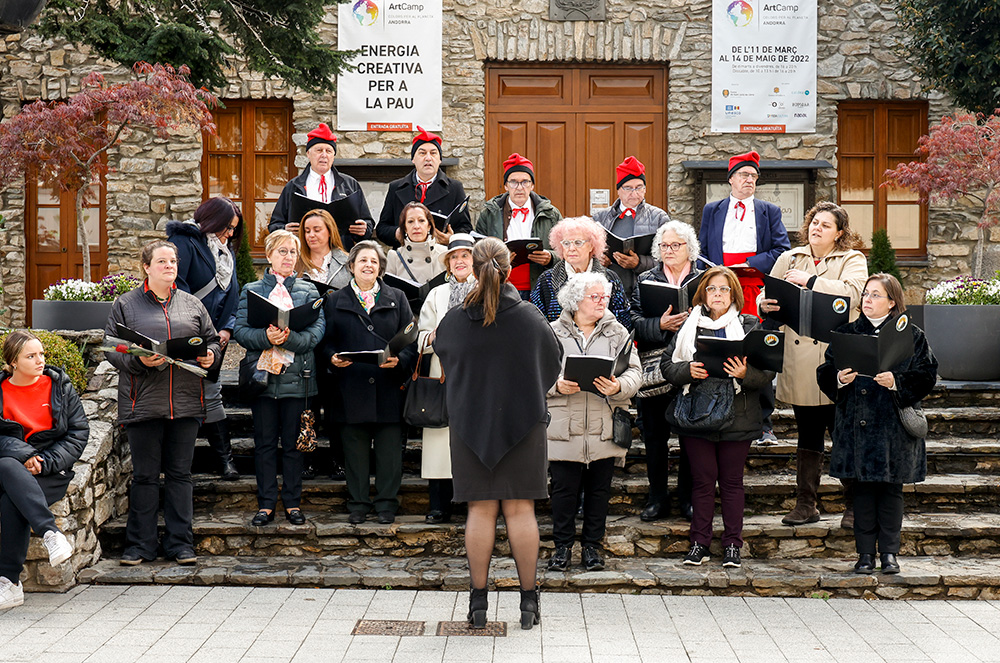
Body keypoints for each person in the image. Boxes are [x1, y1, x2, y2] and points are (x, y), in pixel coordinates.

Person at [435, 237, 561, 631]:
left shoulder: (455, 318)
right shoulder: (529, 317)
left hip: (471, 425)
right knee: (520, 509)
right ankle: (528, 603)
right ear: (509, 269)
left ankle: (477, 603)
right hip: (522, 424)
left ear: (472, 268)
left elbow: (444, 356)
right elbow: (552, 364)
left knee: (480, 509)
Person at [105, 240, 221, 566]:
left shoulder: (192, 304)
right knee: (144, 476)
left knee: (180, 475)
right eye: (162, 261)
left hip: (185, 403)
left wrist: (212, 355)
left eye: (172, 261)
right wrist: (143, 361)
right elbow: (113, 348)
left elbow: (210, 339)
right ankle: (138, 546)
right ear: (146, 267)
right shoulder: (126, 305)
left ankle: (180, 545)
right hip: (142, 404)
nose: (169, 266)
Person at [817, 274, 937, 575]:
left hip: (893, 430)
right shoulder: (847, 333)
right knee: (862, 492)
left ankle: (889, 554)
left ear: (892, 302)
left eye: (875, 295)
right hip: (857, 427)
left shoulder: (911, 334)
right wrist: (839, 379)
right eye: (866, 294)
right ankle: (865, 555)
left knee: (891, 491)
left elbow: (927, 374)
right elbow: (825, 371)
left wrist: (898, 382)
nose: (867, 300)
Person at [758, 202, 868, 527]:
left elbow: (854, 294)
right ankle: (806, 504)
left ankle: (855, 506)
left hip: (839, 363)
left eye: (825, 225)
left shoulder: (852, 259)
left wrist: (810, 281)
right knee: (807, 435)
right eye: (814, 222)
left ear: (840, 233)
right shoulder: (788, 258)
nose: (817, 228)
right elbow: (769, 296)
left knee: (843, 434)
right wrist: (763, 305)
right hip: (801, 359)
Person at [663, 266, 775, 569]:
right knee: (701, 482)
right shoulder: (689, 326)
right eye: (712, 288)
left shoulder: (750, 326)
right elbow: (667, 366)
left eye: (724, 289)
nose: (717, 294)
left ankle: (732, 545)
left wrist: (744, 373)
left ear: (734, 293)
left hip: (737, 416)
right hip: (696, 414)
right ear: (703, 293)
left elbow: (766, 373)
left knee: (731, 483)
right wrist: (688, 371)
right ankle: (699, 542)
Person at [547, 272, 640, 573]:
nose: (603, 302)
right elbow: (529, 376)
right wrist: (556, 386)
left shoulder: (618, 333)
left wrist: (618, 387)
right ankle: (561, 549)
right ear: (576, 301)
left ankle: (592, 549)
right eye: (595, 297)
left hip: (603, 425)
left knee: (599, 492)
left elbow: (635, 373)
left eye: (605, 297)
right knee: (563, 492)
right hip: (564, 427)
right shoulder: (551, 333)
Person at [320, 241, 417, 525]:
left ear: (380, 268)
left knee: (389, 453)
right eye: (362, 261)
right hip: (351, 387)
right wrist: (332, 359)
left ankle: (387, 503)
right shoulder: (335, 300)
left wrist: (401, 361)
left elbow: (410, 340)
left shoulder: (397, 298)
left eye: (374, 262)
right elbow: (325, 343)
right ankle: (358, 503)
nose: (368, 266)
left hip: (389, 386)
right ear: (351, 266)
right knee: (355, 452)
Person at [233, 230, 325, 528]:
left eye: (292, 253)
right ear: (270, 255)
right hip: (263, 380)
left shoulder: (309, 291)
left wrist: (287, 339)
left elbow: (315, 335)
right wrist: (265, 336)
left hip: (298, 380)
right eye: (282, 252)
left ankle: (293, 503)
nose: (288, 257)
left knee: (294, 444)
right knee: (264, 444)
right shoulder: (251, 289)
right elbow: (241, 331)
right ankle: (266, 504)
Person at [699, 150, 790, 443]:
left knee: (757, 352)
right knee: (719, 345)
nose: (749, 180)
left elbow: (781, 249)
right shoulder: (712, 210)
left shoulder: (769, 211)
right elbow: (701, 250)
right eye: (744, 175)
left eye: (753, 176)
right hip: (720, 288)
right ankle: (711, 412)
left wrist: (750, 263)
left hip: (754, 288)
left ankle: (764, 423)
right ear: (731, 179)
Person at [0, 331, 87, 611]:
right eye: (31, 356)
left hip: (51, 472)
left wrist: (44, 461)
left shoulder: (59, 386)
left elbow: (78, 434)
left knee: (10, 501)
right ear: (13, 362)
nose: (40, 360)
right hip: (9, 467)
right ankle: (51, 533)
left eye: (41, 354)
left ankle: (9, 583)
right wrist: (25, 455)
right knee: (7, 465)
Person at [629, 221, 702, 522]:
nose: (669, 251)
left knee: (690, 437)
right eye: (664, 246)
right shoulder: (646, 278)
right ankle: (657, 497)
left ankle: (688, 498)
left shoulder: (703, 278)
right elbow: (632, 318)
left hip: (691, 367)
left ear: (690, 249)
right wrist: (658, 325)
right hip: (656, 366)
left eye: (676, 245)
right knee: (655, 437)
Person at [166, 196, 242, 481]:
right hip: (185, 333)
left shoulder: (227, 252)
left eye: (234, 229)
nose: (230, 234)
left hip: (214, 338)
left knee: (212, 394)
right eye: (227, 227)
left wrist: (227, 329)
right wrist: (201, 332)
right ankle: (175, 464)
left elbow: (232, 297)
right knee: (181, 396)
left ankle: (226, 461)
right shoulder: (184, 243)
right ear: (212, 221)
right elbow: (178, 290)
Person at [415, 233, 477, 524]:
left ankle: (473, 504)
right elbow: (420, 338)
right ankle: (439, 504)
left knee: (474, 439)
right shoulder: (436, 294)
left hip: (478, 376)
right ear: (448, 264)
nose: (460, 261)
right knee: (440, 441)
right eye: (454, 257)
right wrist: (435, 336)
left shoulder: (488, 290)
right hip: (442, 373)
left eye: (465, 255)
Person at [268, 123, 373, 249]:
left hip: (341, 252)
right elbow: (274, 225)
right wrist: (285, 230)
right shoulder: (293, 186)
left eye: (329, 151)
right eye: (319, 150)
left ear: (333, 156)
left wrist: (363, 229)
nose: (324, 155)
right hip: (304, 253)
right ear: (308, 154)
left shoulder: (350, 185)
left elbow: (368, 224)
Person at [474, 153, 562, 297]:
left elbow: (566, 249)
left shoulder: (551, 213)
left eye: (525, 182)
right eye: (514, 182)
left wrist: (550, 257)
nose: (519, 187)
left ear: (532, 185)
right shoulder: (489, 213)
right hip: (500, 287)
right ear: (506, 186)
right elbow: (478, 250)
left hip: (541, 288)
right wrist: (498, 258)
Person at [376, 126, 472, 248]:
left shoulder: (455, 188)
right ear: (413, 159)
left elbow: (466, 227)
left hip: (439, 257)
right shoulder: (396, 187)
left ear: (440, 159)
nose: (428, 158)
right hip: (406, 256)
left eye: (433, 153)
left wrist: (451, 239)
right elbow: (382, 228)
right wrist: (397, 233)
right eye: (422, 153)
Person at [529, 216, 632, 330]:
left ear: (591, 245)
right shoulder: (547, 279)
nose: (571, 248)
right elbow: (536, 322)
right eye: (566, 243)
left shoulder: (609, 278)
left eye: (578, 243)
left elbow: (623, 322)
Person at [593, 156, 671, 295]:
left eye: (639, 188)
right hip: (606, 290)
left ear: (645, 189)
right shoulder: (600, 218)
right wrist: (597, 260)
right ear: (618, 189)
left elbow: (670, 257)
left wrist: (639, 263)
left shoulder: (659, 217)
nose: (634, 193)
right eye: (628, 188)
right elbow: (586, 254)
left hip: (646, 290)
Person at [385, 202, 447, 284]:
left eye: (421, 221)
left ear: (429, 226)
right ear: (405, 228)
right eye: (410, 221)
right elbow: (390, 292)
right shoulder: (394, 257)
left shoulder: (444, 253)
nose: (416, 226)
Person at [296, 209, 352, 290]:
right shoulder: (295, 262)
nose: (311, 235)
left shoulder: (348, 262)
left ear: (330, 231)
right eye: (307, 231)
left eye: (317, 230)